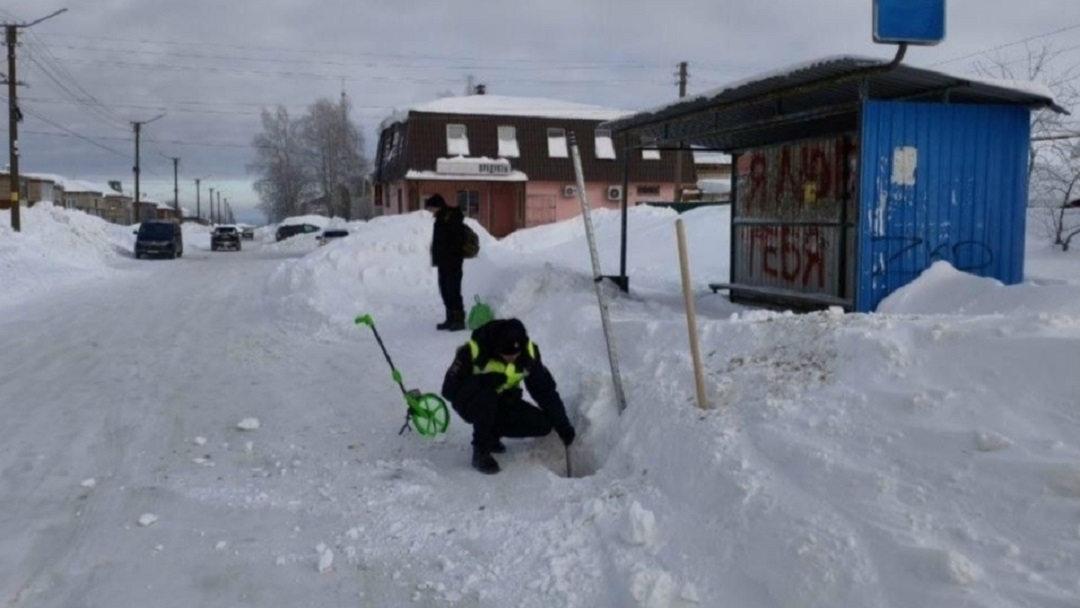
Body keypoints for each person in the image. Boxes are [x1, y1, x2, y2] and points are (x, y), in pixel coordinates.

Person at [441, 318, 576, 474]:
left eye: (516, 354)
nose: (512, 359)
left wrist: (562, 425)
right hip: (473, 403)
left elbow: (545, 391)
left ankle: (492, 433)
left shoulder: (528, 354)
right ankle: (481, 450)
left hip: (504, 402)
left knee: (543, 424)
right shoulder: (471, 352)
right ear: (495, 347)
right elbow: (448, 390)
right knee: (487, 396)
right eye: (507, 354)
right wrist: (481, 381)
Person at [425, 194, 466, 331]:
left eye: (431, 208)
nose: (431, 212)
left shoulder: (452, 217)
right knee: (445, 290)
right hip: (443, 262)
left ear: (438, 206)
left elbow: (457, 240)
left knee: (453, 291)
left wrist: (450, 255)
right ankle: (450, 319)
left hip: (453, 262)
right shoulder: (440, 218)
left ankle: (459, 321)